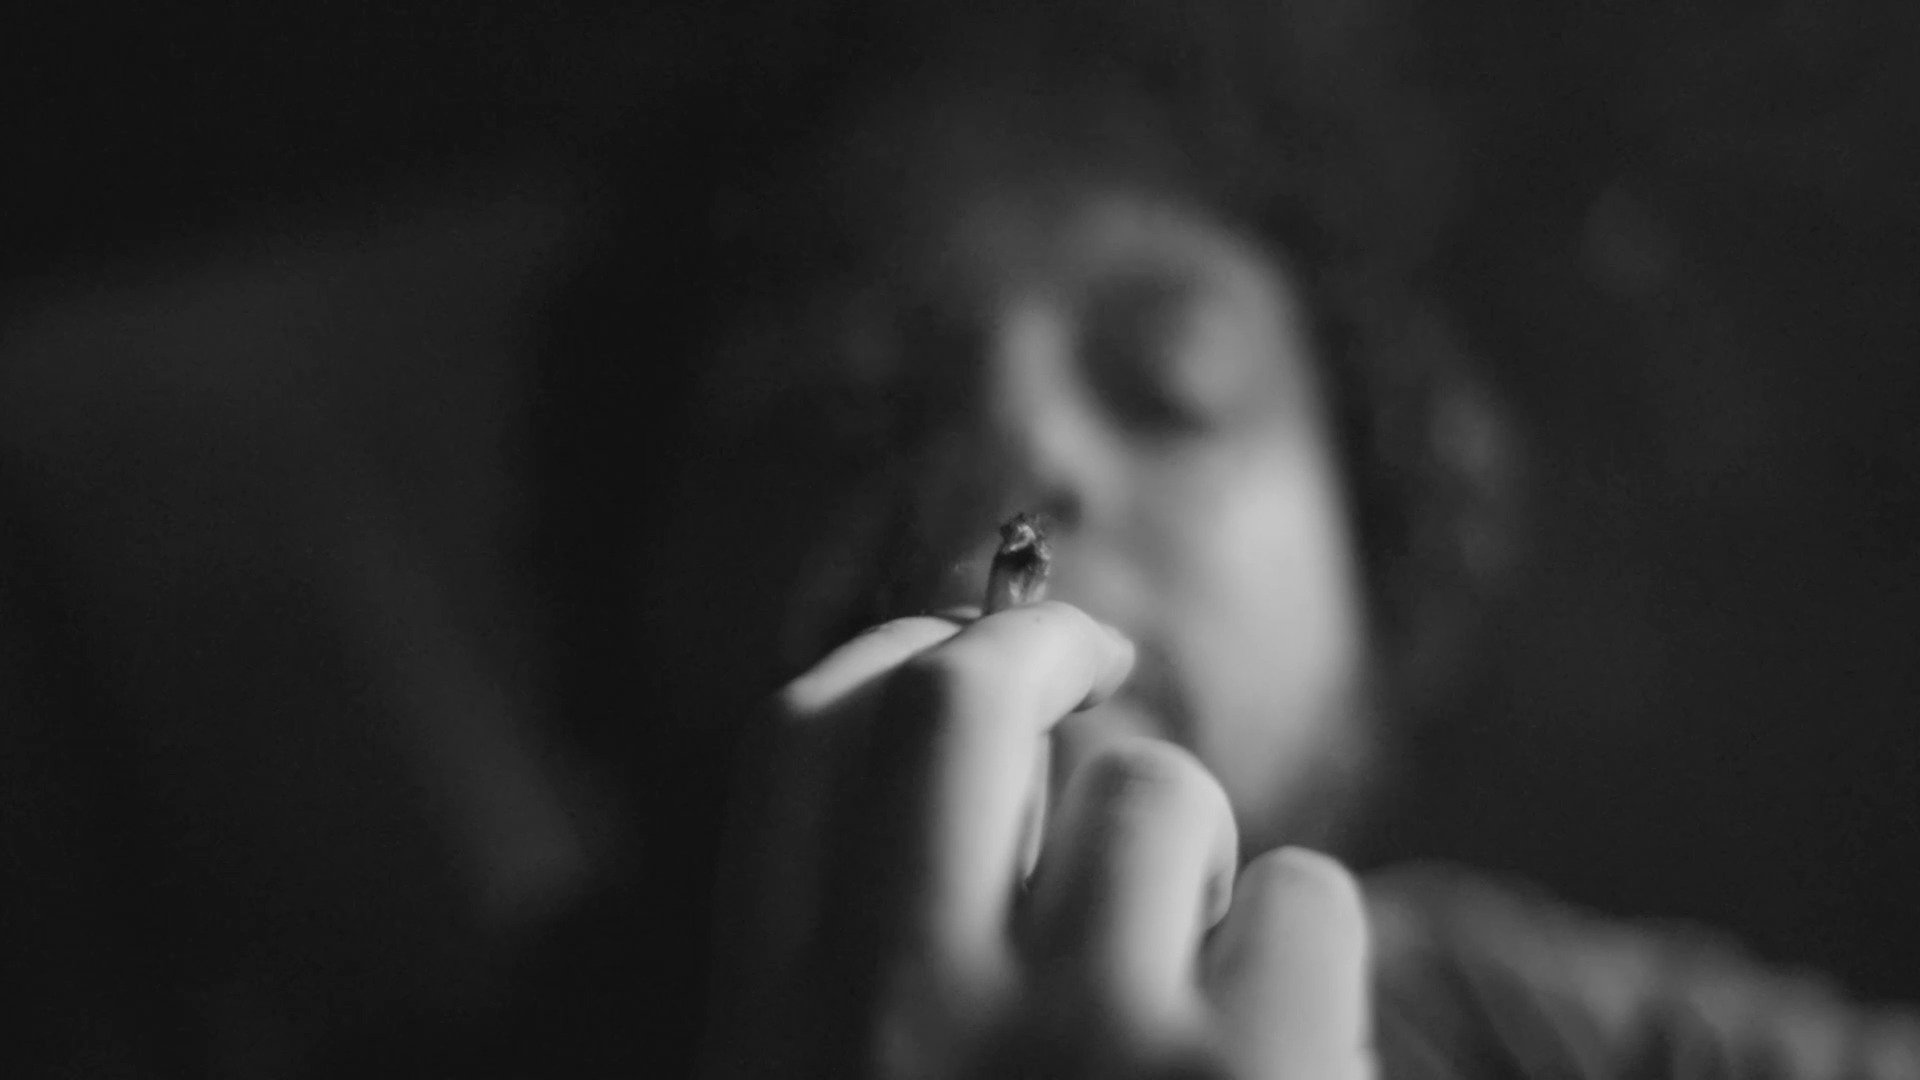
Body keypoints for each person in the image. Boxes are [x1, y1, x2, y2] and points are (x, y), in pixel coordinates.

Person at [579, 1, 1920, 1077]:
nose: (1022, 451)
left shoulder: (1588, 1035)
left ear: (1372, 531)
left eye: (1178, 382)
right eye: (855, 403)